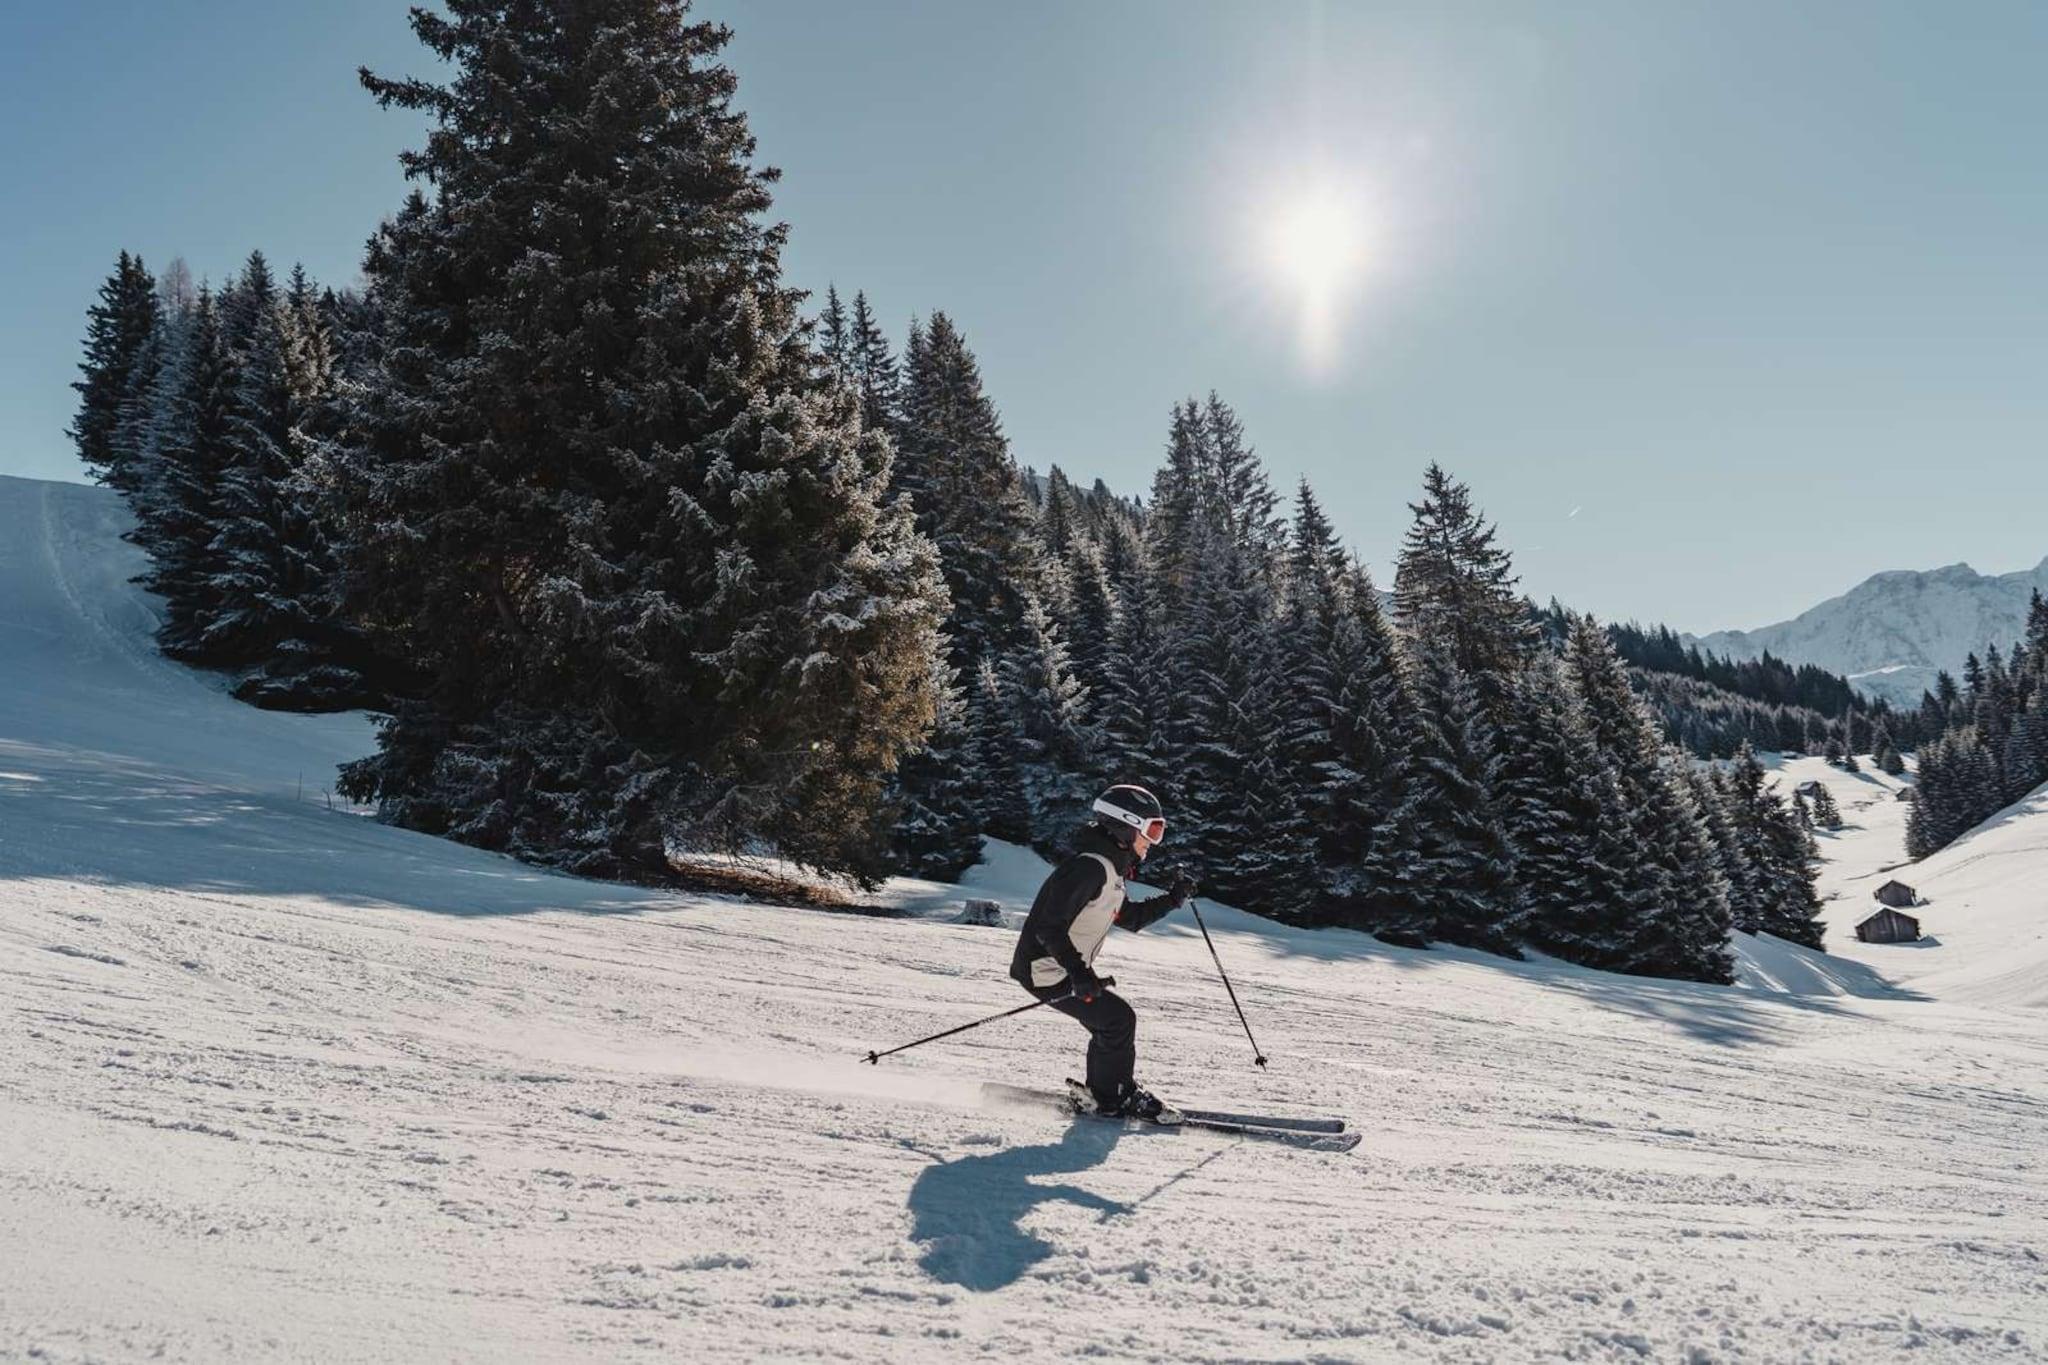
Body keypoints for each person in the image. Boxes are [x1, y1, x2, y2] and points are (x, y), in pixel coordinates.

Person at [1009, 784, 1196, 1119]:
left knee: (1110, 1022)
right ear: (1125, 825)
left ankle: (1104, 1093)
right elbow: (1049, 927)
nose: (1153, 841)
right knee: (1117, 1020)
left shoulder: (1110, 872)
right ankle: (1114, 1097)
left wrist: (1172, 899)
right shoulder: (1090, 869)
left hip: (1059, 968)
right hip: (1045, 970)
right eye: (1152, 830)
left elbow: (1130, 918)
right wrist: (1079, 974)